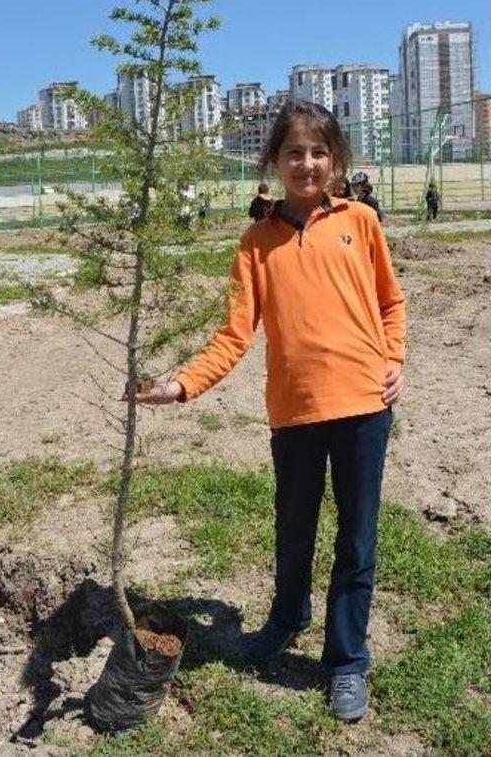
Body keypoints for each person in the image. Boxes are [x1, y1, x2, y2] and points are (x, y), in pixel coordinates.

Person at [135, 99, 405, 723]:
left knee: (356, 539)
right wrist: (182, 385)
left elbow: (391, 303)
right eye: (294, 153)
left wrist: (394, 358)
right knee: (294, 528)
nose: (307, 163)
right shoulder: (256, 241)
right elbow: (233, 334)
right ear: (274, 162)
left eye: (318, 152)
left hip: (365, 406)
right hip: (295, 412)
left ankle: (345, 661)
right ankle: (286, 619)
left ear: (335, 159)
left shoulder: (360, 222)